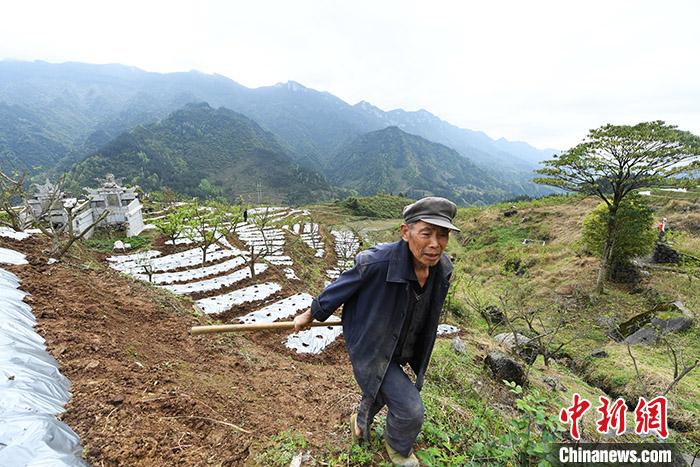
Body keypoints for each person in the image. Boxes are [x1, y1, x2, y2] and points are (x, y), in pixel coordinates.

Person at [294, 197, 460, 466]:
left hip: (405, 342)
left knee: (382, 388)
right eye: (426, 233)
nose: (435, 243)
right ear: (406, 233)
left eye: (442, 235)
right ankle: (398, 448)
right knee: (410, 408)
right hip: (372, 342)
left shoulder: (443, 268)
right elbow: (339, 289)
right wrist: (310, 313)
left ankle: (359, 423)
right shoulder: (375, 263)